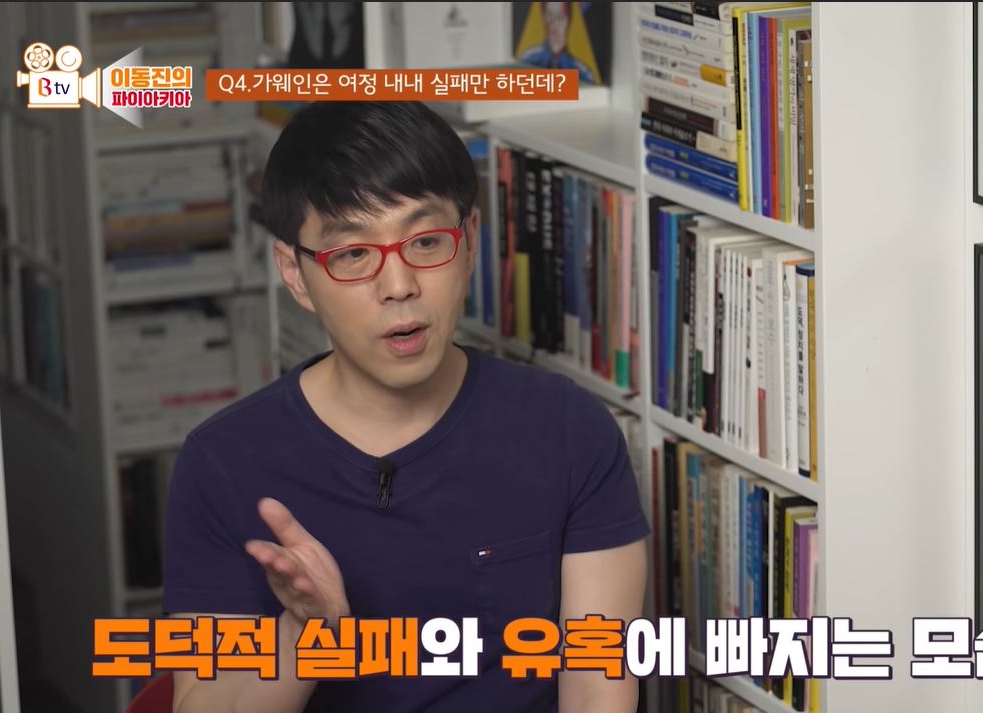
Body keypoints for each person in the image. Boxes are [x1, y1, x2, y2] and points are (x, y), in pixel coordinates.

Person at [162, 101, 650, 713]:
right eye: (352, 254)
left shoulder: (569, 431)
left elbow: (599, 692)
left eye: (425, 241)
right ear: (295, 273)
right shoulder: (223, 462)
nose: (398, 286)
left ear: (470, 241)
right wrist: (308, 633)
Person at [518, 2, 596, 84]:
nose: (554, 27)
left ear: (568, 21)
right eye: (549, 16)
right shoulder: (527, 60)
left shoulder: (582, 74)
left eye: (560, 18)